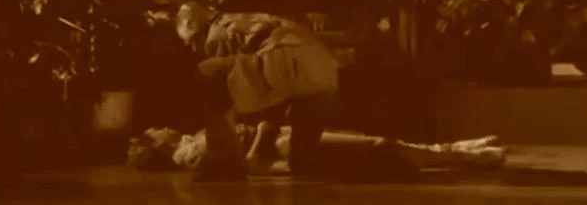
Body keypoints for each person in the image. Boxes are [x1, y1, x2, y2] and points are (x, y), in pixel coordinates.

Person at [173, 1, 341, 180]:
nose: (193, 49)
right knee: (304, 119)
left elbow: (228, 91)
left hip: (287, 63)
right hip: (325, 69)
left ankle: (224, 161)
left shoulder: (217, 34)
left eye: (192, 42)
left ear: (200, 29)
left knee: (207, 72)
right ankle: (304, 160)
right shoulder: (246, 18)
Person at [126, 122, 507, 177]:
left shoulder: (191, 140)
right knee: (377, 147)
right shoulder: (189, 154)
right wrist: (263, 131)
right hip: (284, 148)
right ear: (158, 145)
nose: (159, 126)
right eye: (153, 132)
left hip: (285, 137)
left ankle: (451, 148)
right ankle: (464, 157)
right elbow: (248, 165)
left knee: (372, 140)